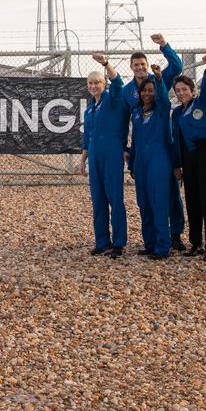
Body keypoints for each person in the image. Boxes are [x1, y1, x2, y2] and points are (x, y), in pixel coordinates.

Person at [122, 34, 187, 252]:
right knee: (146, 202)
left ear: (147, 65)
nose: (140, 67)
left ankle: (173, 235)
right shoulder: (128, 93)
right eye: (136, 65)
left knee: (168, 197)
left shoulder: (160, 87)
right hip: (142, 155)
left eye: (142, 64)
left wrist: (164, 45)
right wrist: (130, 156)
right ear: (131, 67)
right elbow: (126, 122)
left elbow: (176, 66)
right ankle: (151, 242)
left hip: (161, 150)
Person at [172, 57, 206, 260]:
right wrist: (177, 163)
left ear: (192, 90)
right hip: (188, 158)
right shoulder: (176, 113)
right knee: (192, 200)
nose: (182, 93)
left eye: (185, 89)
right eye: (178, 90)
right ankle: (196, 243)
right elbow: (176, 139)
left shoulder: (203, 103)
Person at [130, 69, 180, 259]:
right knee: (144, 203)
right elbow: (135, 139)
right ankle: (149, 243)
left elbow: (165, 100)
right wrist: (132, 161)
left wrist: (159, 80)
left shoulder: (160, 109)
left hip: (159, 160)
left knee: (159, 203)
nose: (147, 94)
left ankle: (162, 245)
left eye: (151, 91)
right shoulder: (136, 112)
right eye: (144, 90)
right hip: (141, 162)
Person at [83, 53, 129, 258]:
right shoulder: (90, 108)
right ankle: (102, 240)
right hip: (95, 154)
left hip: (111, 151)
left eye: (97, 83)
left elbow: (118, 82)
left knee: (115, 197)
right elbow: (88, 136)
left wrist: (106, 64)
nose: (94, 86)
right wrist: (83, 159)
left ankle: (119, 242)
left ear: (103, 84)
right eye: (91, 83)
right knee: (98, 198)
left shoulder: (112, 99)